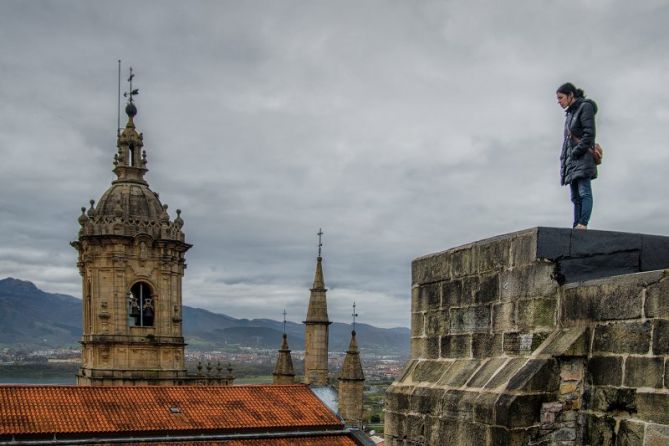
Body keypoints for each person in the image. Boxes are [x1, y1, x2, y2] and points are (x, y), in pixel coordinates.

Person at [557, 82, 598, 229]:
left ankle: (583, 223)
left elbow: (589, 134)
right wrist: (565, 159)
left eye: (561, 98)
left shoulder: (585, 107)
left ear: (570, 95)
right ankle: (576, 225)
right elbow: (566, 141)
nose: (559, 102)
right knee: (575, 197)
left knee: (584, 192)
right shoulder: (569, 114)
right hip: (572, 161)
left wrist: (575, 152)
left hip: (582, 158)